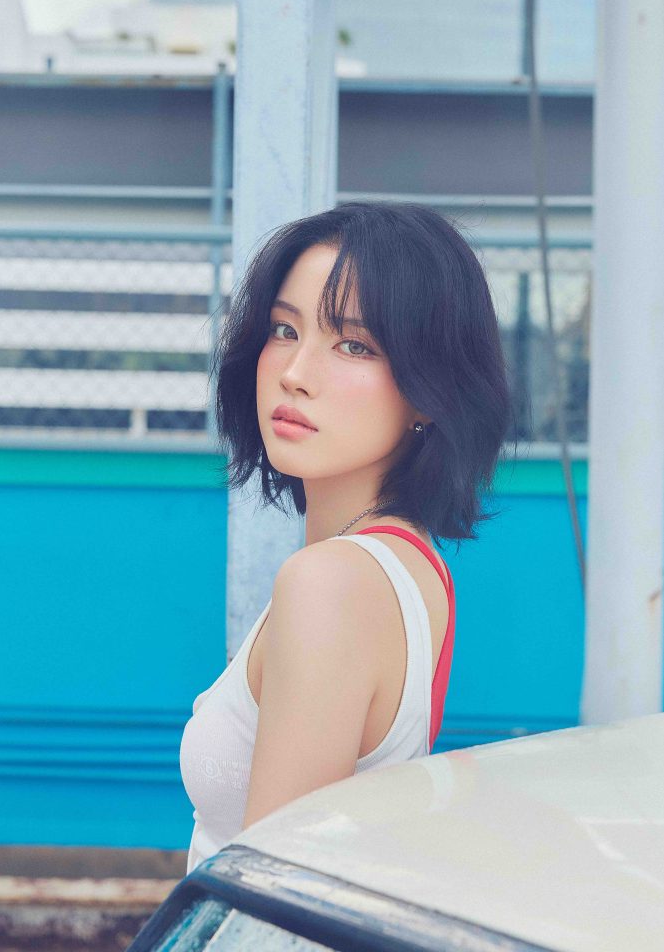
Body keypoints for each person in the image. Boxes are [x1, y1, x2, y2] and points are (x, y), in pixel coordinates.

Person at [180, 201, 514, 872]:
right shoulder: (409, 565)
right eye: (283, 329)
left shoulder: (332, 582)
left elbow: (275, 894)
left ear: (428, 389)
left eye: (354, 345)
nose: (295, 372)